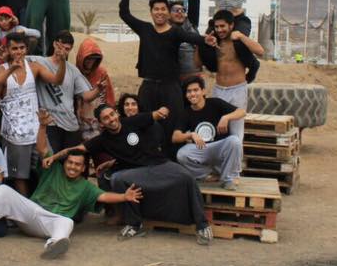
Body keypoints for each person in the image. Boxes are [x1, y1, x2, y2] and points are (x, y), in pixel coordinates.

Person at [0, 109, 143, 258]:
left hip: (51, 223)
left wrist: (124, 196)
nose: (72, 167)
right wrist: (42, 126)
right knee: (5, 191)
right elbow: (42, 148)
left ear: (82, 168)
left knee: (67, 222)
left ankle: (54, 245)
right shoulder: (53, 168)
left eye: (77, 165)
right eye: (70, 163)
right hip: (31, 213)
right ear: (65, 163)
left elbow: (104, 196)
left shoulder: (85, 187)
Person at [45, 103, 212, 245]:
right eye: (106, 118)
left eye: (112, 114)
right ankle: (134, 224)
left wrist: (163, 110)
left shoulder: (133, 121)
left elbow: (156, 114)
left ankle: (202, 226)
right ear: (101, 123)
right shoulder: (103, 140)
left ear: (117, 113)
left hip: (159, 164)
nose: (111, 119)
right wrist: (53, 157)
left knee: (187, 177)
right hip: (139, 173)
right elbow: (76, 149)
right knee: (117, 178)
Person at [118, 0, 208, 157]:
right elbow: (125, 14)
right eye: (156, 9)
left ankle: (172, 161)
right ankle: (147, 158)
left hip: (170, 88)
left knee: (172, 125)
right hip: (148, 86)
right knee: (146, 123)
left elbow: (193, 38)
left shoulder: (176, 32)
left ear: (168, 13)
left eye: (163, 9)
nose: (159, 12)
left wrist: (208, 39)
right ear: (151, 12)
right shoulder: (145, 29)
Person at [0, 32, 68, 196]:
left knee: (49, 166)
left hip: (37, 131)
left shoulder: (34, 67)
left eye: (22, 48)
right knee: (19, 177)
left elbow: (57, 80)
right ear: (8, 50)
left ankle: (47, 204)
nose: (18, 52)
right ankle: (25, 208)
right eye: (14, 48)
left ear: (27, 49)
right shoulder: (1, 71)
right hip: (14, 135)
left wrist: (63, 61)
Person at [27, 30, 103, 153]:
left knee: (72, 158)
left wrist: (98, 89)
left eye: (67, 49)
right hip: (50, 123)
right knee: (51, 159)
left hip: (70, 124)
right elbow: (16, 59)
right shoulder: (38, 62)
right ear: (54, 44)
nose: (62, 51)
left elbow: (86, 96)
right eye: (60, 47)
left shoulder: (73, 70)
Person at [173, 77, 245, 190]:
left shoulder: (215, 103)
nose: (192, 94)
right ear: (186, 95)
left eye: (196, 90)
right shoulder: (185, 112)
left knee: (234, 141)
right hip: (202, 150)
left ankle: (228, 179)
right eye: (189, 91)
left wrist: (226, 117)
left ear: (203, 91)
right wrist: (190, 135)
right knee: (182, 154)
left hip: (220, 147)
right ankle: (207, 174)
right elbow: (175, 137)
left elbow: (242, 112)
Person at [149, 0, 203, 80]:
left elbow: (194, 0)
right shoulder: (165, 27)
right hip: (171, 80)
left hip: (193, 79)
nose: (180, 12)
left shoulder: (191, 24)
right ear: (168, 14)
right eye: (175, 10)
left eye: (182, 10)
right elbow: (157, 1)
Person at [76, 38, 116, 144]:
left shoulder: (101, 72)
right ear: (81, 58)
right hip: (79, 120)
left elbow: (109, 95)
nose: (91, 62)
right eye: (88, 59)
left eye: (94, 59)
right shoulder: (75, 72)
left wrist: (110, 112)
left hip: (99, 119)